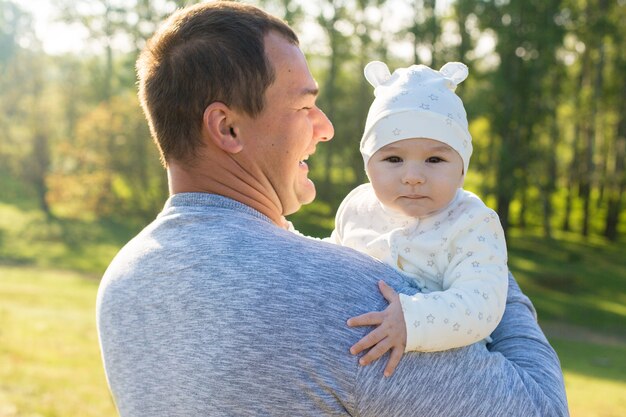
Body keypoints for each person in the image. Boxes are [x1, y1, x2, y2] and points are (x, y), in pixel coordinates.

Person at [96, 2, 569, 416]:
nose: (326, 128)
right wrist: (469, 235)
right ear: (228, 128)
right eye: (305, 107)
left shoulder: (124, 281)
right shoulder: (359, 302)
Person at [326, 61, 509, 376]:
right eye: (393, 158)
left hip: (451, 380)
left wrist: (413, 319)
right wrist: (287, 239)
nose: (413, 176)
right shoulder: (358, 206)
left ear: (462, 167)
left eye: (435, 159)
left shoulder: (471, 221)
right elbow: (330, 260)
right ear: (368, 165)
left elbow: (482, 302)